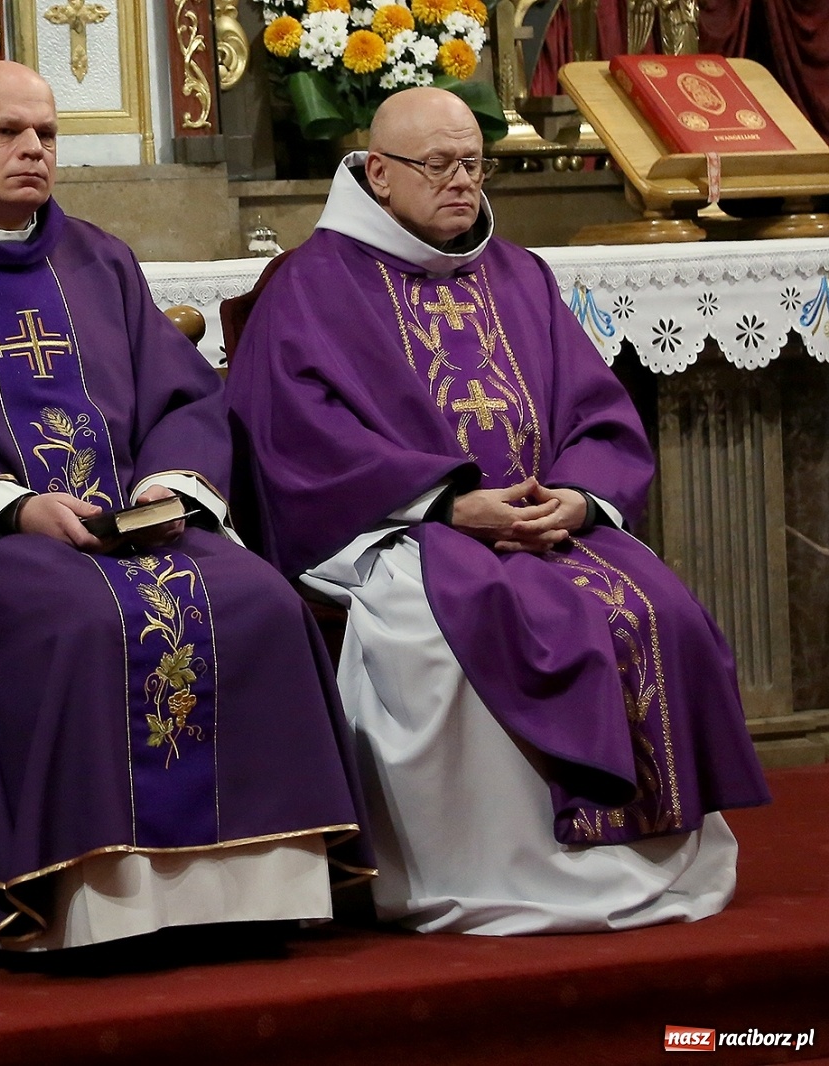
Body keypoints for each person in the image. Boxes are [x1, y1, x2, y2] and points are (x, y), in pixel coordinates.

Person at [0, 61, 370, 955]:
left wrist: (167, 485)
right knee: (75, 616)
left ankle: (252, 891)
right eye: (8, 132)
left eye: (46, 133)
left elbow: (182, 396)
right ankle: (92, 906)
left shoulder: (96, 256)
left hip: (129, 521)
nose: (33, 148)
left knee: (261, 603)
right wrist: (15, 509)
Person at [224, 87, 771, 935]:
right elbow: (294, 435)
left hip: (543, 521)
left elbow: (596, 410)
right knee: (441, 628)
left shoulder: (518, 273)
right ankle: (496, 867)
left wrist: (580, 498)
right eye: (436, 165)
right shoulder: (313, 284)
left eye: (473, 165)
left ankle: (650, 854)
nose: (461, 183)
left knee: (661, 608)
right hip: (405, 525)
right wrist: (445, 501)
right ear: (378, 174)